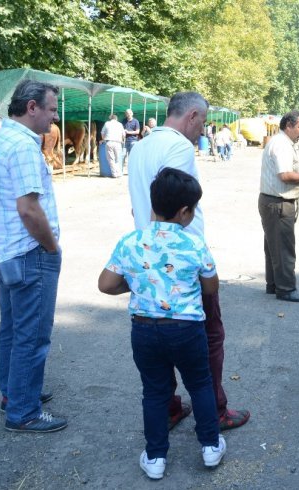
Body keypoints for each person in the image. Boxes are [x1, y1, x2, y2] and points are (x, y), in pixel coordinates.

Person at [128, 91, 250, 432]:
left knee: (156, 335)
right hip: (181, 260)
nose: (202, 130)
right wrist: (199, 260)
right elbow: (182, 209)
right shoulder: (179, 148)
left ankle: (168, 407)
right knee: (209, 335)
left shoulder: (141, 147)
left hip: (148, 257)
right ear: (192, 116)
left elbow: (141, 204)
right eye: (204, 122)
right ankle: (216, 410)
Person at [98, 168, 226, 479]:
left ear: (154, 204)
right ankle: (210, 446)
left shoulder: (131, 241)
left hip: (144, 330)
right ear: (185, 211)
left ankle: (155, 457)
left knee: (154, 391)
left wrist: (142, 283)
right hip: (186, 330)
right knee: (199, 385)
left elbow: (106, 284)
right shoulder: (194, 244)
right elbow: (211, 287)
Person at [0, 79, 67, 433]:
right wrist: (51, 247)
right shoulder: (21, 147)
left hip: (3, 250)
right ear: (31, 107)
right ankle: (23, 411)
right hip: (27, 252)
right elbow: (29, 209)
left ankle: (14, 393)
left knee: (13, 327)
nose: (55, 116)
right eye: (51, 109)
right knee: (32, 334)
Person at [258, 110, 299, 302]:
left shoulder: (281, 142)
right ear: (288, 126)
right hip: (278, 203)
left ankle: (273, 285)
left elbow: (286, 170)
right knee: (283, 248)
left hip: (272, 202)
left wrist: (298, 171)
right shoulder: (281, 144)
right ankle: (286, 289)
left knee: (273, 245)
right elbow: (285, 176)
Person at [121, 108, 140, 174]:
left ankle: (132, 171)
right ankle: (120, 171)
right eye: (127, 113)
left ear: (132, 113)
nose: (128, 114)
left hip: (133, 141)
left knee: (131, 157)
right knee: (122, 156)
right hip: (124, 141)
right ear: (125, 114)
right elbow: (121, 130)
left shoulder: (136, 121)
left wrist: (128, 132)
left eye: (129, 113)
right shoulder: (123, 121)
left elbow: (137, 132)